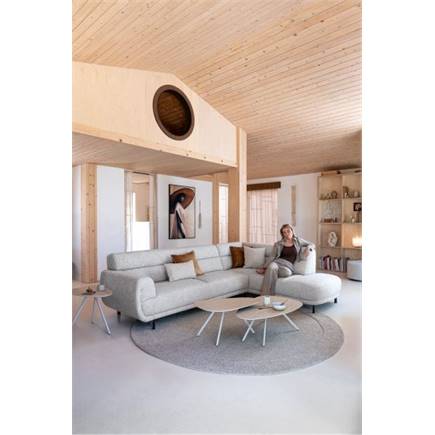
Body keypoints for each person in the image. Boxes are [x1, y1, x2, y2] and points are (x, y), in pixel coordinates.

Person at [256, 224, 315, 295]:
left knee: (287, 273)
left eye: (288, 231)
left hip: (288, 266)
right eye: (284, 232)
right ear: (282, 234)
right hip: (277, 263)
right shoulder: (278, 244)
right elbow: (272, 256)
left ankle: (268, 271)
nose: (287, 234)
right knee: (271, 267)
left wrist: (308, 248)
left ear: (292, 231)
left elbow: (312, 244)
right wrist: (264, 266)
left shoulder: (298, 240)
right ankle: (266, 297)